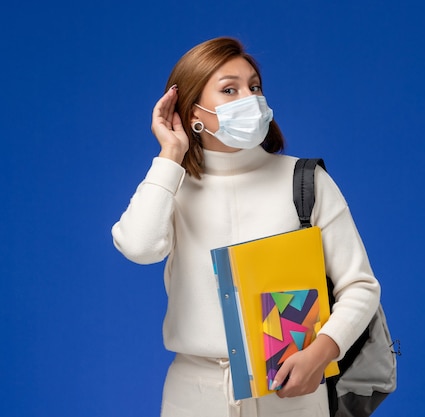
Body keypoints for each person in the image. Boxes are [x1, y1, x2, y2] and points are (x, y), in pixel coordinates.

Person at [111, 37, 380, 417]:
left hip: (292, 393)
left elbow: (360, 285)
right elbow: (139, 248)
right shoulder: (172, 186)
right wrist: (170, 155)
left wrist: (320, 354)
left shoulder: (304, 180)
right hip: (194, 394)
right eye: (229, 89)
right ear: (192, 112)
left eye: (254, 86)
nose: (250, 98)